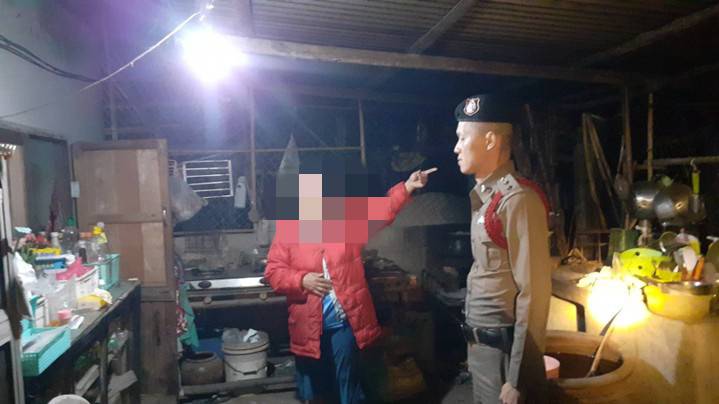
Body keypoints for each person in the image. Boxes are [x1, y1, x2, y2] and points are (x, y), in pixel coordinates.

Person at [264, 161, 436, 404]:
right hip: (307, 326)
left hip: (343, 323)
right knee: (315, 391)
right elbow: (273, 272)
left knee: (348, 386)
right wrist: (302, 279)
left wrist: (407, 186)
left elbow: (382, 211)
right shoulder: (289, 229)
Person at [452, 94, 552, 404]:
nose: (456, 148)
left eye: (463, 138)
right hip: (484, 350)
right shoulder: (486, 198)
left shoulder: (518, 200)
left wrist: (518, 377)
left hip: (505, 356)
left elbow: (534, 293)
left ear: (490, 140)